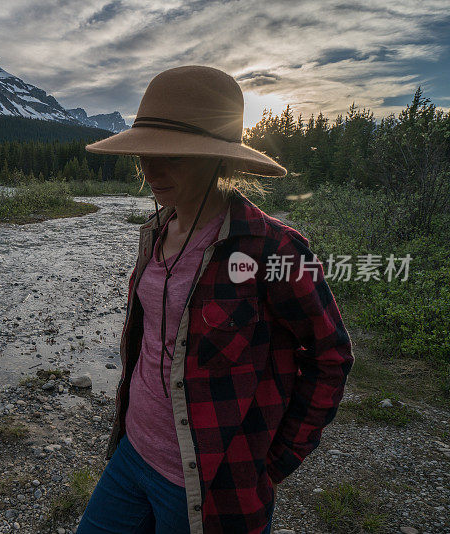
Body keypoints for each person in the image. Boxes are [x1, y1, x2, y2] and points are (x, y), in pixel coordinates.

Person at [76, 65, 354, 533]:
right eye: (146, 152)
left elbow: (331, 356)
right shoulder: (157, 230)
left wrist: (271, 463)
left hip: (210, 482)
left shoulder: (274, 249)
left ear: (218, 161)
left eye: (175, 157)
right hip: (132, 451)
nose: (150, 168)